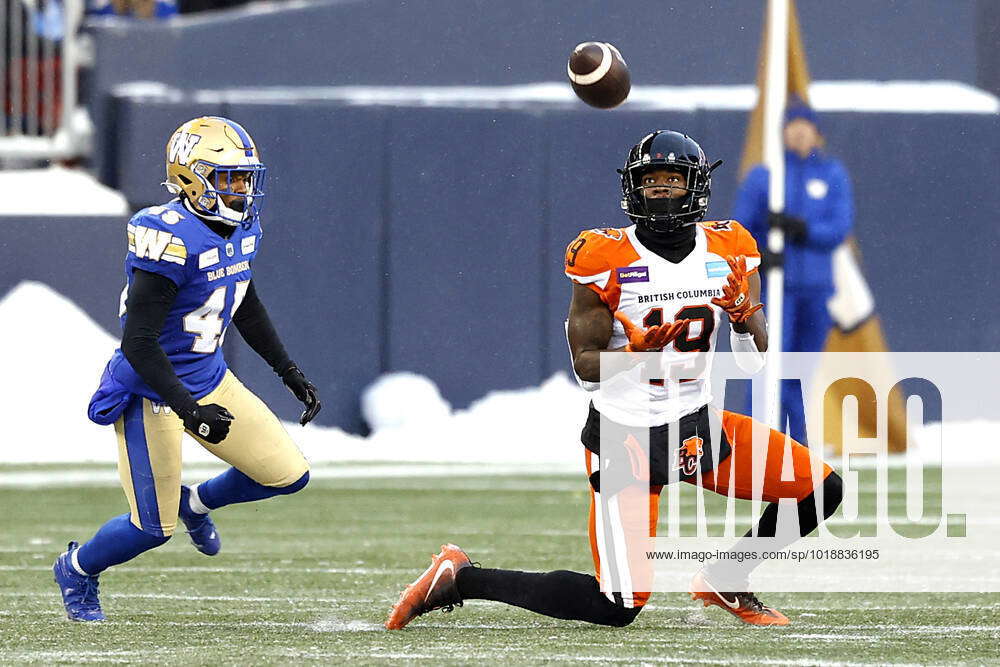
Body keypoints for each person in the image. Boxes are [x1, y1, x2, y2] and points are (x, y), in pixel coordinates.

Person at [384, 131, 842, 630]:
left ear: (697, 188)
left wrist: (742, 315)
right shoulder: (604, 258)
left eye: (673, 179)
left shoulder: (730, 247)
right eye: (651, 180)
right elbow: (586, 367)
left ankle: (726, 578)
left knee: (821, 489)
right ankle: (463, 577)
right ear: (633, 189)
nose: (661, 189)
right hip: (628, 438)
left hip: (699, 426)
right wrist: (635, 357)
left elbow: (753, 361)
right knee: (617, 606)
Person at [53, 116, 321, 622]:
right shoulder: (167, 236)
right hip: (150, 390)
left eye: (246, 178)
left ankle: (195, 504)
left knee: (287, 475)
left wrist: (288, 370)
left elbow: (242, 300)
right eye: (229, 179)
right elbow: (139, 341)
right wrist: (190, 411)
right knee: (150, 529)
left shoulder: (241, 227)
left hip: (208, 378)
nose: (242, 190)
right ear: (192, 179)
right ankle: (77, 568)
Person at [731, 100, 854, 444]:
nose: (799, 133)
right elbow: (741, 229)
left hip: (815, 290)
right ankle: (756, 441)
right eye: (792, 126)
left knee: (800, 373)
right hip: (774, 290)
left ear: (817, 133)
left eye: (806, 127)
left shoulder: (831, 175)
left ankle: (798, 445)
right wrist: (762, 257)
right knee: (769, 367)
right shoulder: (765, 175)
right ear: (782, 131)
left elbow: (839, 227)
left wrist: (802, 229)